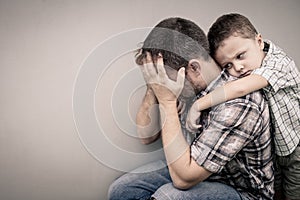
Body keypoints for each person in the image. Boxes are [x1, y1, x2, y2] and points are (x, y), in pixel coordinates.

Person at [108, 17, 274, 200]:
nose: (164, 86)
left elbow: (183, 180)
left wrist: (167, 102)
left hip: (242, 191)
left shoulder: (239, 104)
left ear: (193, 68)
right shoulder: (185, 83)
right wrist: (153, 87)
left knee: (168, 197)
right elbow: (146, 135)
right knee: (122, 190)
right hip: (198, 166)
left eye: (165, 80)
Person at [185, 13, 300, 200]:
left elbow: (239, 89)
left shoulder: (279, 63)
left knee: (294, 193)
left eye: (240, 56)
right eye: (228, 65)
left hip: (295, 147)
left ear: (259, 41)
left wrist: (198, 105)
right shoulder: (248, 66)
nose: (237, 68)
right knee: (277, 193)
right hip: (275, 149)